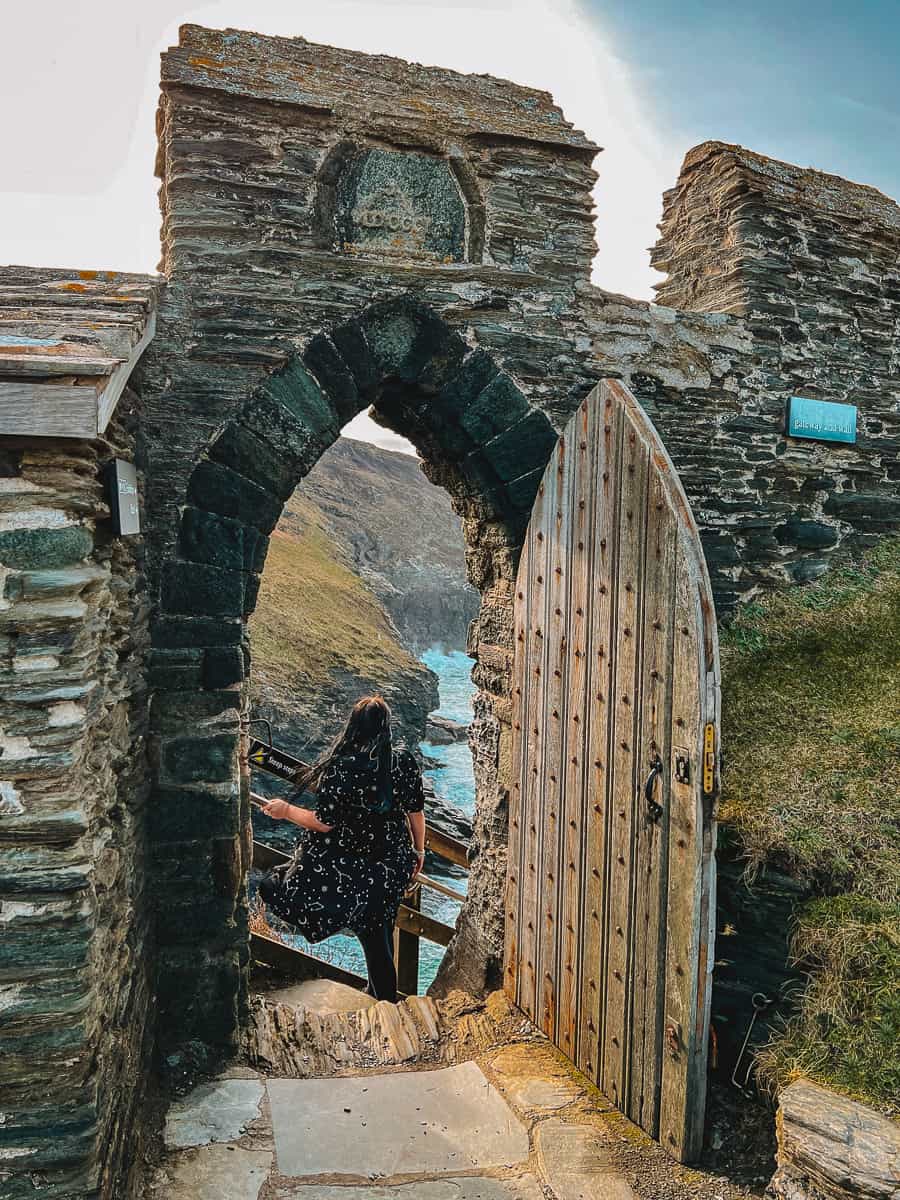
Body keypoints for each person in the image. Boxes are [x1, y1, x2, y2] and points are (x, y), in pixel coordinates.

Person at [259, 695, 426, 1003]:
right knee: (379, 933)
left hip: (348, 869)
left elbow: (324, 823)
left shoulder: (342, 766)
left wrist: (286, 810)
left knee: (273, 885)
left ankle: (382, 1000)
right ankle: (382, 998)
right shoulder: (403, 760)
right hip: (392, 865)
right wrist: (419, 853)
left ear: (353, 726)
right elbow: (415, 812)